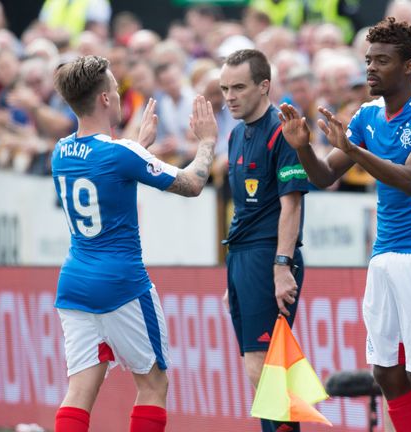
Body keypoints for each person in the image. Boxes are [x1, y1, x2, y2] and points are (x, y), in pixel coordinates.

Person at [279, 17, 411, 431]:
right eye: (368, 60)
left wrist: (354, 152)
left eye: (383, 60)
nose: (371, 68)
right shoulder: (367, 114)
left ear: (410, 67)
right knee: (385, 372)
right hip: (384, 253)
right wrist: (303, 147)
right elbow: (324, 176)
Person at [50, 55, 218, 432]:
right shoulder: (121, 153)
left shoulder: (60, 152)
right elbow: (192, 185)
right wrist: (206, 142)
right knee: (154, 383)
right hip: (122, 283)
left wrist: (138, 146)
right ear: (106, 100)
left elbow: (108, 170)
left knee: (79, 391)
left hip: (75, 283)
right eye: (115, 88)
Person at [218, 49, 310, 432]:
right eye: (224, 88)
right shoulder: (237, 134)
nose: (229, 96)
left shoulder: (282, 130)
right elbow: (242, 207)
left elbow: (292, 206)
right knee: (261, 368)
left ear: (264, 86)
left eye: (238, 87)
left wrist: (282, 266)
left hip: (268, 256)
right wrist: (232, 277)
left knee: (266, 366)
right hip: (242, 257)